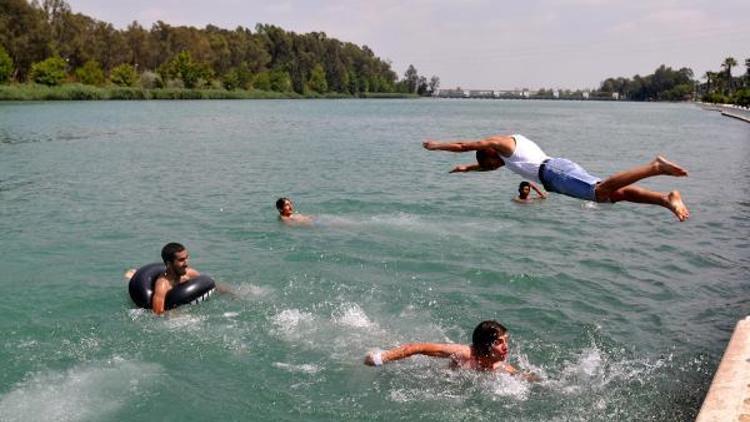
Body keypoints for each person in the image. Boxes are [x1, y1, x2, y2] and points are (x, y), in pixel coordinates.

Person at [423, 134, 689, 221]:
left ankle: (654, 167)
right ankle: (665, 199)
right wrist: (466, 170)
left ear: (491, 153)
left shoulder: (502, 143)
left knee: (600, 191)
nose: (494, 168)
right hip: (555, 175)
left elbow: (463, 146)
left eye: (492, 164)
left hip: (553, 173)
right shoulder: (504, 158)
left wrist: (436, 146)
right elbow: (486, 166)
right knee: (613, 196)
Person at [364, 320, 539, 381]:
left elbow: (522, 377)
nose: (505, 346)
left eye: (506, 341)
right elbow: (417, 347)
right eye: (499, 342)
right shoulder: (464, 353)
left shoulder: (501, 367)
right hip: (437, 378)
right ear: (485, 344)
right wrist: (381, 358)